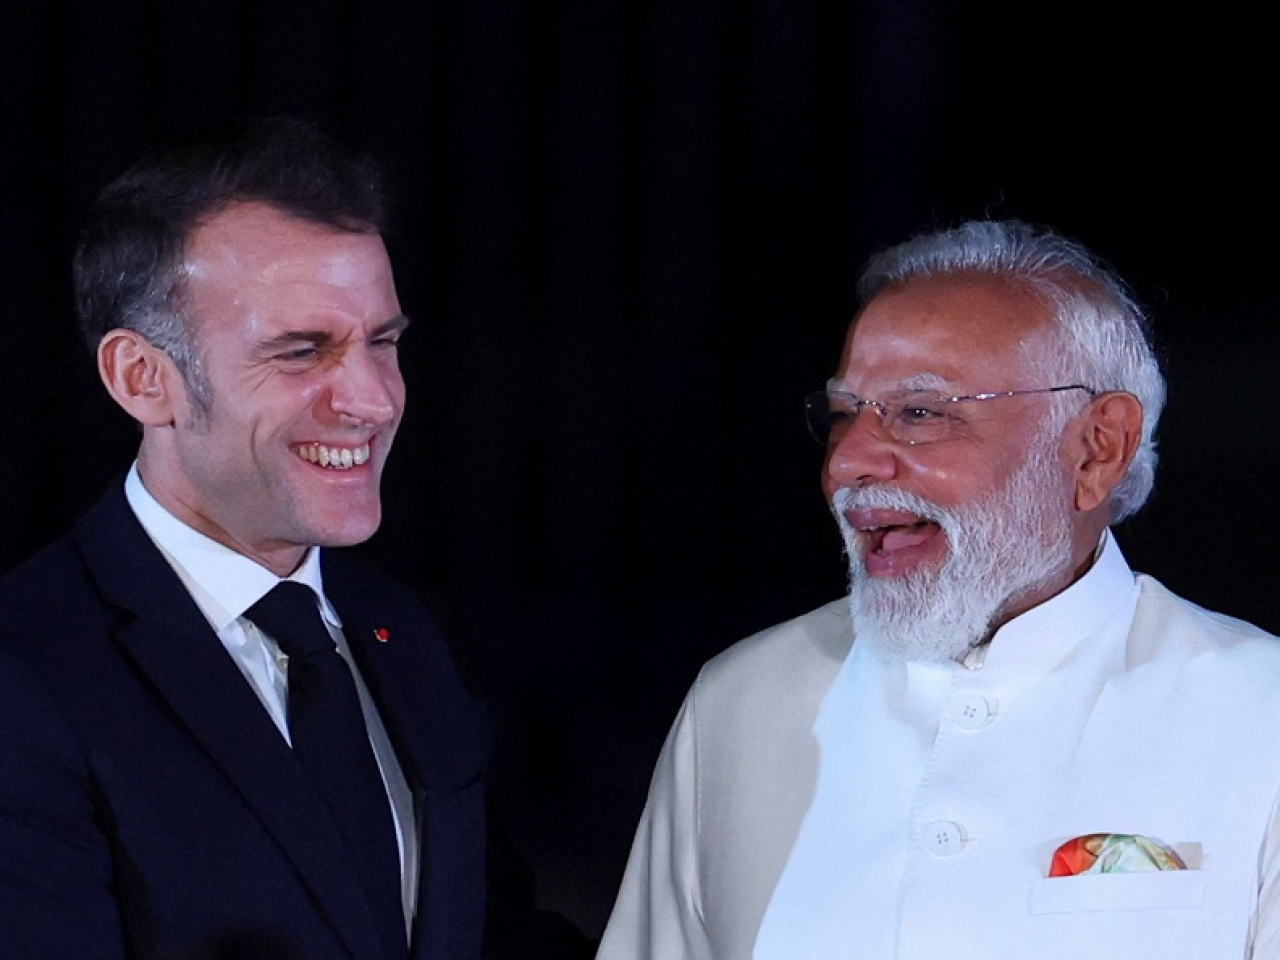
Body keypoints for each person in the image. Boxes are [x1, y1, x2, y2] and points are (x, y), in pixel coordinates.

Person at [597, 219, 1280, 959]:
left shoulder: (1258, 712)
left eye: (920, 413)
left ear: (1096, 449)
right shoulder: (743, 701)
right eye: (843, 415)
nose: (849, 464)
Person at [0, 117, 491, 959]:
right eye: (304, 352)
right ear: (142, 379)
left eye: (384, 342)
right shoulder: (24, 674)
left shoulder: (400, 630)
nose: (373, 400)